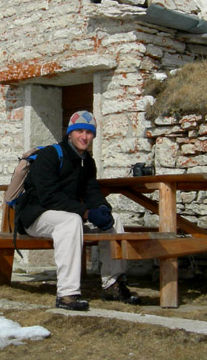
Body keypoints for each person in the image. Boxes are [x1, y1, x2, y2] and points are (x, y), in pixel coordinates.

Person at [14, 110, 141, 311]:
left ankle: (113, 284)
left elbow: (92, 191)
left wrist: (101, 209)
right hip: (36, 216)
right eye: (79, 131)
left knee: (114, 219)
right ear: (70, 134)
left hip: (67, 214)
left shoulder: (87, 162)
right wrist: (86, 213)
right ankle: (67, 294)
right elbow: (48, 196)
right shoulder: (50, 154)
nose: (84, 137)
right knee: (71, 221)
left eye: (89, 132)